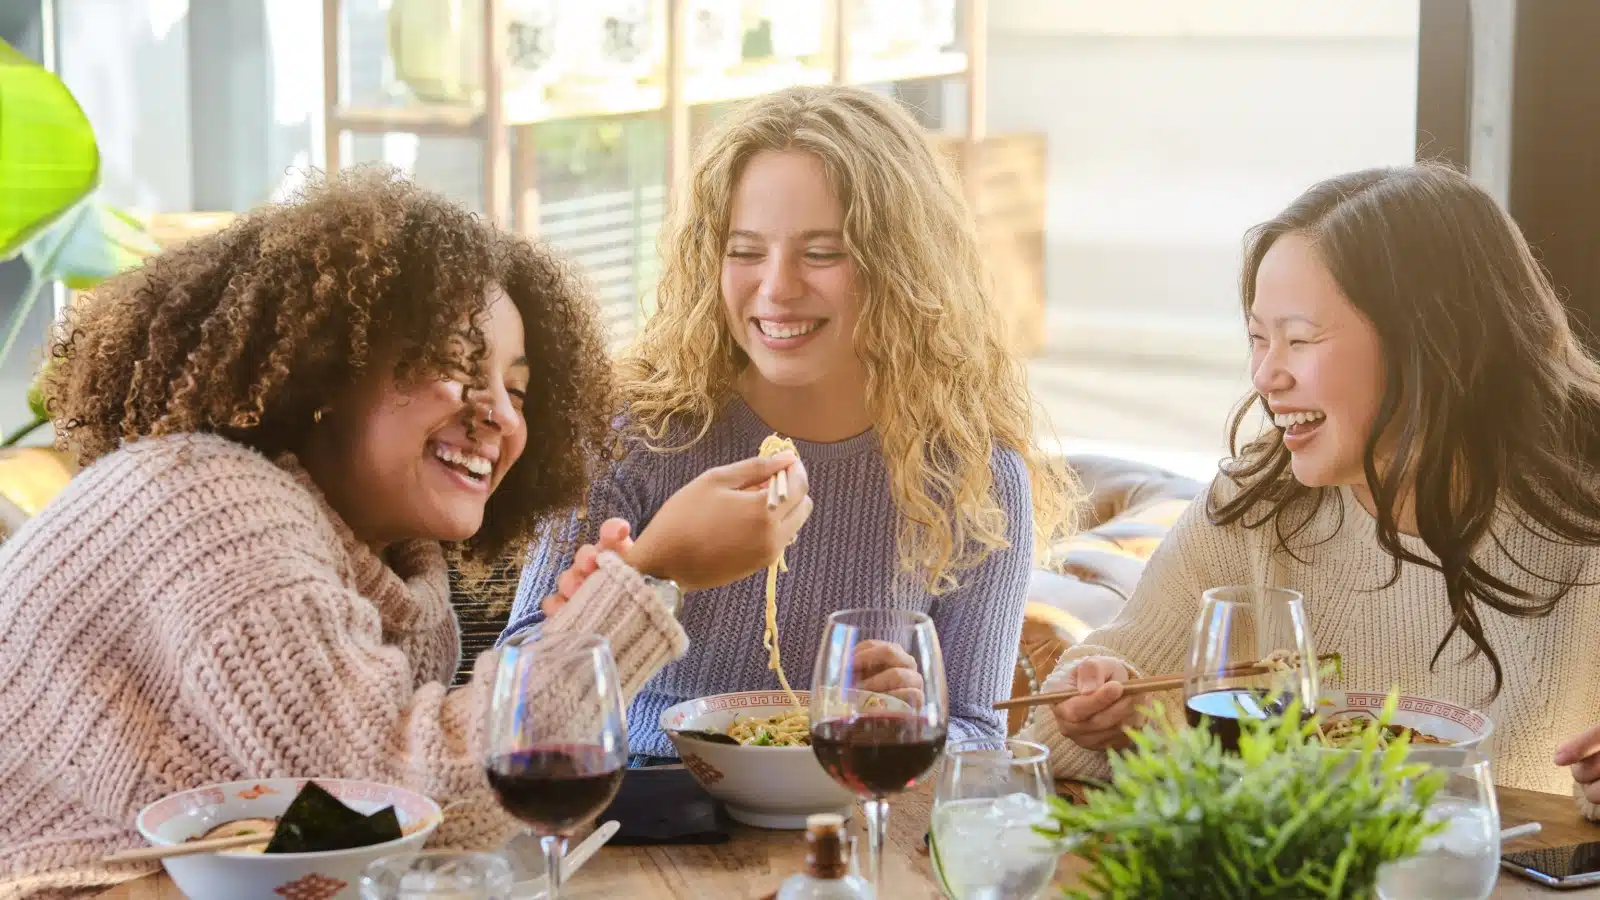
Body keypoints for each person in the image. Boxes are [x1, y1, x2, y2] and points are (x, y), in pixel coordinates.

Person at [0, 168, 810, 895]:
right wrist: (649, 580)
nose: (498, 413)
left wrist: (589, 621)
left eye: (519, 389)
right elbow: (393, 803)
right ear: (327, 368)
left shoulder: (398, 580)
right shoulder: (218, 508)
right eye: (458, 362)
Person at [504, 84, 1078, 762]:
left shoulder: (977, 476)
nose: (776, 287)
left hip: (842, 822)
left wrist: (914, 725)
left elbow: (979, 736)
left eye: (822, 252)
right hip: (639, 811)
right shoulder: (629, 434)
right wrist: (657, 567)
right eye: (745, 251)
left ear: (902, 267)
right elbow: (517, 706)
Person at [1020, 163, 1600, 819]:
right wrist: (1092, 713)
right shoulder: (1256, 505)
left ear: (1433, 344)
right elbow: (1066, 731)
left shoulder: (1583, 519)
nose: (1267, 375)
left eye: (1299, 340)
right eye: (1257, 339)